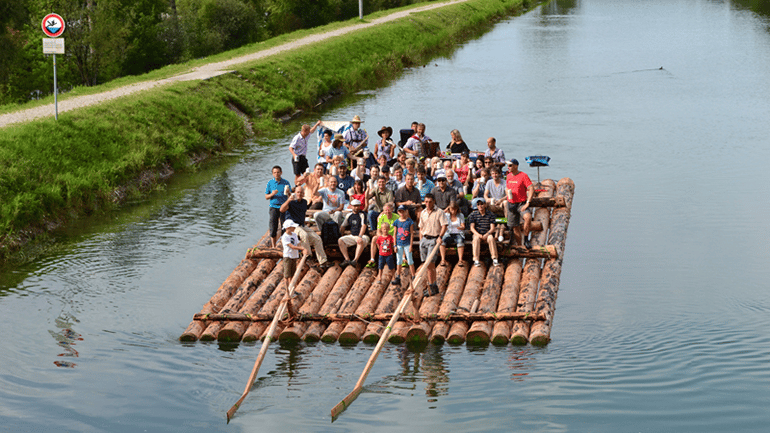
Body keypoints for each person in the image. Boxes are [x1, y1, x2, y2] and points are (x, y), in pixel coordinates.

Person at [280, 186, 330, 269]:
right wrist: (289, 199)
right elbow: (281, 210)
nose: (299, 194)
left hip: (302, 225)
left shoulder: (304, 202)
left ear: (303, 194)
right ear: (295, 193)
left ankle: (323, 261)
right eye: (298, 192)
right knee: (304, 235)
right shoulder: (291, 202)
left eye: (301, 192)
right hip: (293, 225)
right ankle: (308, 257)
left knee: (317, 238)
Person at [418, 193, 447, 296]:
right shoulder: (423, 213)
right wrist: (421, 240)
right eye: (426, 202)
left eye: (430, 202)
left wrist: (440, 237)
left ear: (434, 201)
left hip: (434, 239)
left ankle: (432, 286)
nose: (428, 204)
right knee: (427, 265)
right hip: (424, 239)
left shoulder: (439, 212)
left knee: (430, 264)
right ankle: (433, 286)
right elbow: (421, 227)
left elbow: (444, 226)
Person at [281, 219, 308, 316]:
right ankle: (287, 292)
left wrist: (302, 249)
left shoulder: (294, 235)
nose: (294, 228)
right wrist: (301, 249)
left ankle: (292, 289)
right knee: (286, 275)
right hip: (288, 256)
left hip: (294, 256)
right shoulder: (285, 237)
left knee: (292, 274)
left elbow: (297, 243)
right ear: (288, 228)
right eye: (292, 226)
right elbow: (291, 246)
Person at [505, 158, 534, 249]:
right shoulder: (508, 176)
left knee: (528, 217)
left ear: (516, 166)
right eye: (508, 165)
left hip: (521, 203)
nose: (508, 167)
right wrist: (507, 193)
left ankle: (526, 239)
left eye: (510, 165)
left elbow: (531, 188)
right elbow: (507, 187)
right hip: (511, 204)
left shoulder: (523, 175)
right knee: (515, 227)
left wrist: (528, 203)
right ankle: (520, 246)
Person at [468, 199, 500, 267]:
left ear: (485, 205)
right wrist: (478, 235)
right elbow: (472, 228)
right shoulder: (473, 215)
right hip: (477, 233)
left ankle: (494, 258)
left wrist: (486, 234)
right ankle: (476, 260)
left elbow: (492, 228)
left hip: (487, 233)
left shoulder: (490, 214)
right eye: (478, 204)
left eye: (482, 204)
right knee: (476, 239)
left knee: (491, 238)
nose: (480, 206)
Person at [265, 165, 291, 247]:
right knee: (273, 226)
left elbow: (290, 196)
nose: (276, 174)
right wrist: (272, 194)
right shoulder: (270, 183)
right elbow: (266, 197)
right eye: (275, 172)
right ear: (273, 174)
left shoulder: (286, 183)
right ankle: (273, 246)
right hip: (273, 207)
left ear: (281, 173)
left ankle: (283, 244)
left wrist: (288, 192)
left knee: (284, 226)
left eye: (278, 172)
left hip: (283, 207)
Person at [338, 199, 369, 267]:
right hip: (353, 235)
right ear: (351, 206)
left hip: (363, 236)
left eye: (358, 206)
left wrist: (360, 236)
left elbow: (364, 225)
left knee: (360, 241)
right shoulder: (349, 215)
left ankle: (355, 260)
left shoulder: (362, 214)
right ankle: (347, 259)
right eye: (354, 206)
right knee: (340, 240)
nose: (356, 208)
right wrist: (341, 234)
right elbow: (343, 226)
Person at [391, 205, 416, 286]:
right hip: (399, 243)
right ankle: (398, 276)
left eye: (403, 211)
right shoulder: (396, 222)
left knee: (410, 260)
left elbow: (412, 234)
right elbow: (394, 234)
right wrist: (394, 245)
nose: (401, 213)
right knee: (399, 260)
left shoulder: (409, 221)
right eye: (400, 211)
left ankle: (413, 276)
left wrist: (411, 245)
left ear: (406, 211)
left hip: (407, 243)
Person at [484, 167, 508, 239]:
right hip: (493, 202)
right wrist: (488, 199)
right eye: (493, 174)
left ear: (499, 174)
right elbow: (485, 195)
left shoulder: (504, 182)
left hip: (501, 202)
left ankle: (506, 223)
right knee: (485, 203)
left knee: (506, 202)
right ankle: (488, 223)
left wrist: (500, 200)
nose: (494, 175)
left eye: (496, 173)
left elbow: (508, 195)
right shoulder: (489, 182)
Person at [439, 201, 465, 267]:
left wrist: (461, 227)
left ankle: (460, 260)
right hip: (448, 233)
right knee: (442, 242)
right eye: (452, 209)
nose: (453, 211)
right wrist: (447, 209)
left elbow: (463, 225)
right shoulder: (446, 215)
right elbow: (440, 214)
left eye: (454, 209)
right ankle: (443, 259)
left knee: (460, 242)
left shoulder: (460, 215)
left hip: (458, 233)